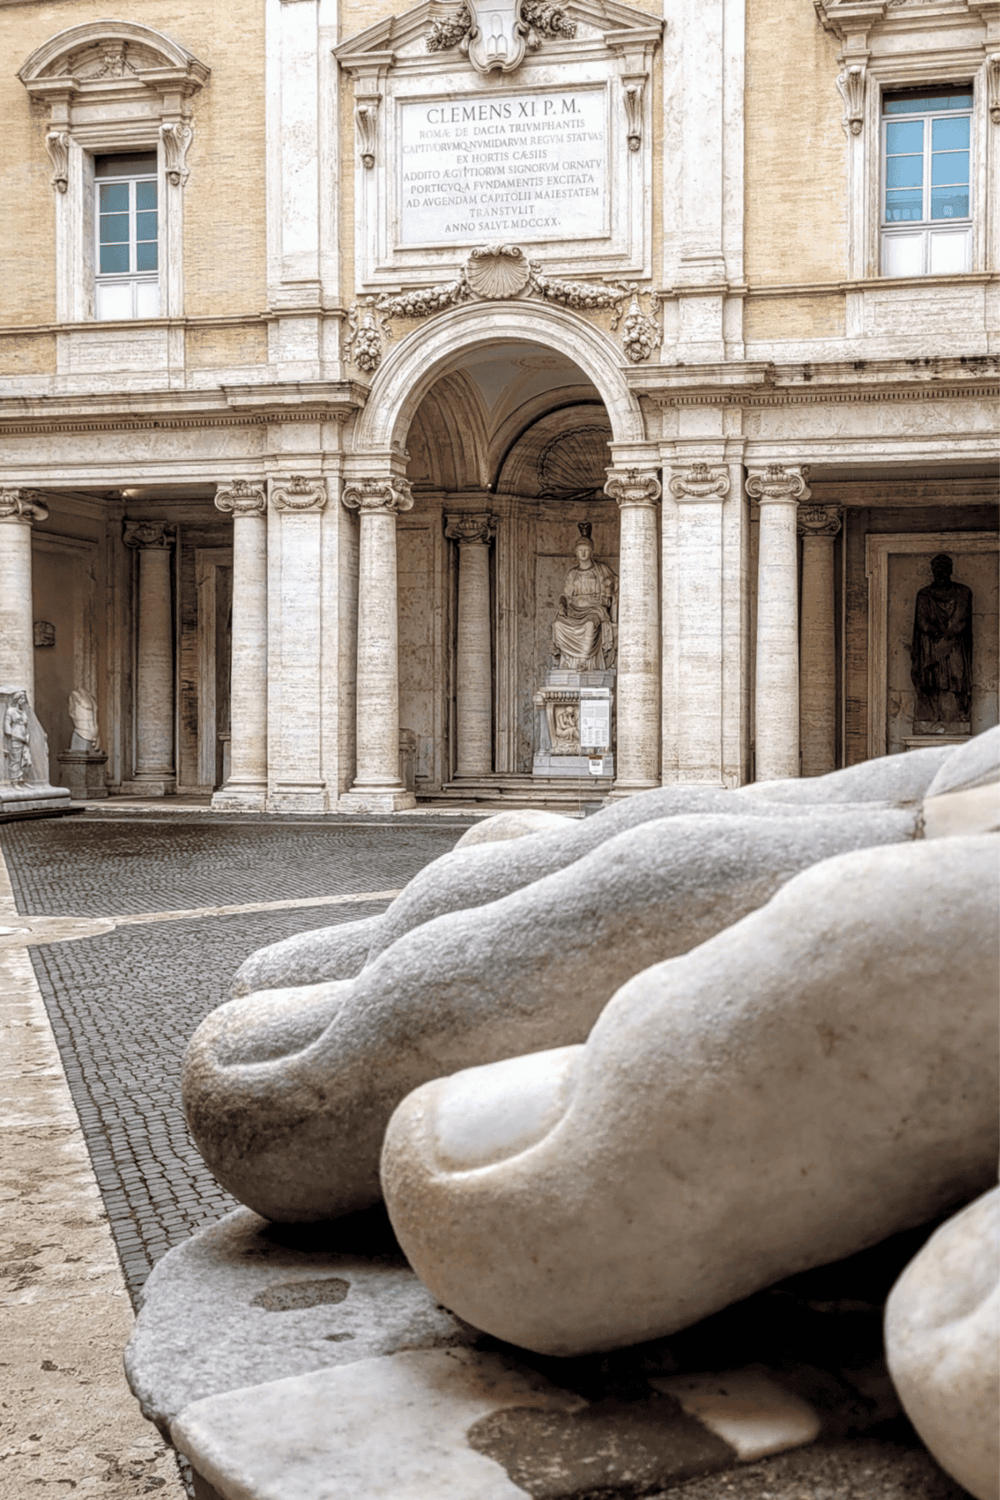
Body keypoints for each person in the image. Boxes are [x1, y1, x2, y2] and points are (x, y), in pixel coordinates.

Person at [910, 554, 973, 723]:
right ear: (932, 571)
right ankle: (929, 715)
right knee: (929, 679)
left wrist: (949, 634)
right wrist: (935, 631)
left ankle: (960, 713)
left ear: (950, 570)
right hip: (931, 643)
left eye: (944, 568)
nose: (940, 572)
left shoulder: (963, 592)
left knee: (958, 677)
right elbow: (921, 621)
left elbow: (963, 618)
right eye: (937, 569)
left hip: (954, 642)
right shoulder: (924, 595)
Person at [552, 525, 617, 671]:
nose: (583, 552)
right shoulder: (572, 573)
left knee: (589, 625)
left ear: (592, 552)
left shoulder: (601, 569)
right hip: (574, 609)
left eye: (586, 549)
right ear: (575, 552)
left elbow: (617, 584)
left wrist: (610, 584)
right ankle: (567, 662)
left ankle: (583, 661)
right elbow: (565, 595)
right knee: (557, 624)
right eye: (580, 550)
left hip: (594, 609)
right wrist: (562, 605)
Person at [3, 691, 32, 784]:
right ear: (16, 699)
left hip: (24, 739)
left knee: (25, 760)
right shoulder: (10, 711)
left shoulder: (23, 712)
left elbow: (27, 726)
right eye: (22, 699)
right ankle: (14, 781)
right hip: (16, 738)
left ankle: (22, 780)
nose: (24, 701)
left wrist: (27, 736)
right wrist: (16, 736)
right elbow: (7, 727)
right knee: (15, 760)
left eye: (24, 699)